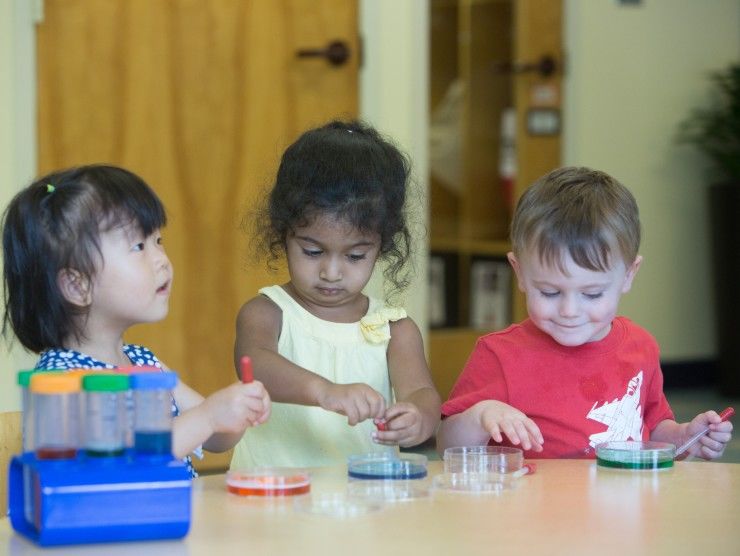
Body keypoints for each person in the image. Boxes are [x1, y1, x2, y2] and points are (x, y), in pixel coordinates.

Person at [437, 166, 733, 460]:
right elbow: (446, 447)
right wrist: (480, 416)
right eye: (550, 292)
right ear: (520, 273)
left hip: (625, 504)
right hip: (535, 507)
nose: (569, 311)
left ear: (629, 275)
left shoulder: (641, 348)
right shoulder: (499, 355)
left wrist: (684, 437)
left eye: (592, 294)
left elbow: (651, 429)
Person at [1, 164, 271, 476]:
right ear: (78, 285)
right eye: (139, 246)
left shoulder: (146, 364)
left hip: (173, 521)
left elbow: (215, 438)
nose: (161, 260)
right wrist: (208, 416)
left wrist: (235, 411)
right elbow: (117, 466)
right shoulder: (60, 381)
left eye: (158, 241)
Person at [230, 120, 441, 468]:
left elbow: (422, 394)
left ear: (382, 246)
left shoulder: (394, 329)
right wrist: (324, 391)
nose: (331, 272)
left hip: (364, 499)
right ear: (284, 234)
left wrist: (418, 419)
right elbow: (255, 366)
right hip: (269, 496)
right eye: (313, 252)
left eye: (355, 256)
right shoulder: (266, 314)